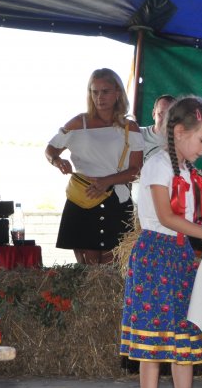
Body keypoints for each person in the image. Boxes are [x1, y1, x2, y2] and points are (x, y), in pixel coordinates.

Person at [119, 95, 202, 388]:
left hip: (181, 255)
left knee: (183, 331)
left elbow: (188, 218)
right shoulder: (157, 165)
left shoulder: (185, 169)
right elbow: (166, 216)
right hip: (156, 255)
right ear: (179, 131)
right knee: (153, 336)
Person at [45, 68, 143, 264]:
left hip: (116, 199)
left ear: (117, 93)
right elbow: (50, 149)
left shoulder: (130, 127)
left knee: (114, 266)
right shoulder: (77, 123)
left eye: (105, 91)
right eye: (94, 91)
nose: (99, 97)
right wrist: (57, 161)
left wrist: (107, 181)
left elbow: (136, 171)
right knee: (88, 270)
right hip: (83, 198)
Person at [142, 94, 176, 160]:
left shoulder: (182, 142)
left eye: (171, 114)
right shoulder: (138, 134)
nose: (166, 119)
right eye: (161, 113)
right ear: (153, 114)